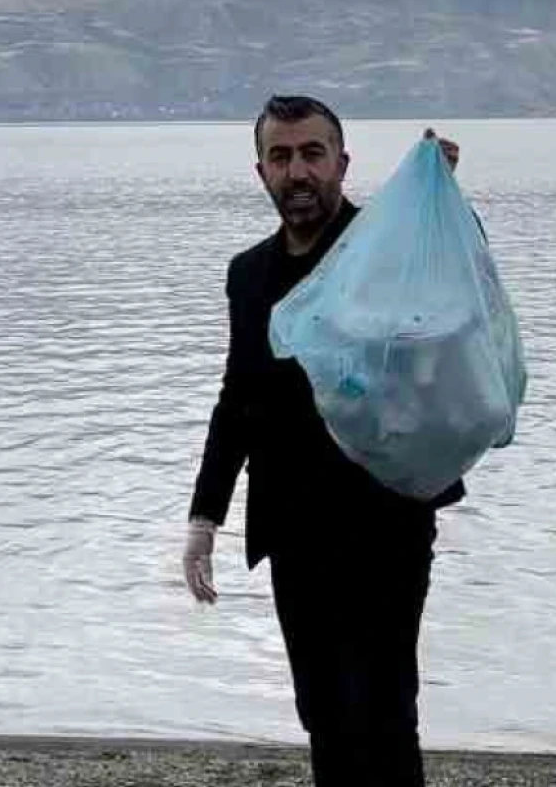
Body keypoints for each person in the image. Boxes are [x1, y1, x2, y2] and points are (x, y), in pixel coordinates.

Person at [182, 95, 467, 787]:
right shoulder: (247, 275)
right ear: (261, 173)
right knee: (322, 713)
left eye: (312, 153)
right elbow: (237, 399)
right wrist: (203, 518)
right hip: (293, 528)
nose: (298, 170)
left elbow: (456, 304)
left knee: (384, 707)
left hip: (386, 521)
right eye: (281, 156)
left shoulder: (385, 250)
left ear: (342, 163)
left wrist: (439, 203)